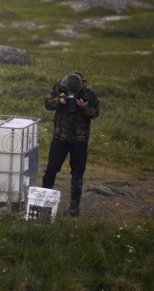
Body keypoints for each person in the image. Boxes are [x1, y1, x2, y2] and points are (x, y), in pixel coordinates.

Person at [42, 71, 100, 216]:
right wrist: (58, 101)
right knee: (50, 170)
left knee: (78, 173)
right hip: (60, 136)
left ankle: (74, 208)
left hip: (79, 139)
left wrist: (84, 107)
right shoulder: (59, 87)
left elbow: (95, 113)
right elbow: (47, 103)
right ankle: (43, 204)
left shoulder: (88, 92)